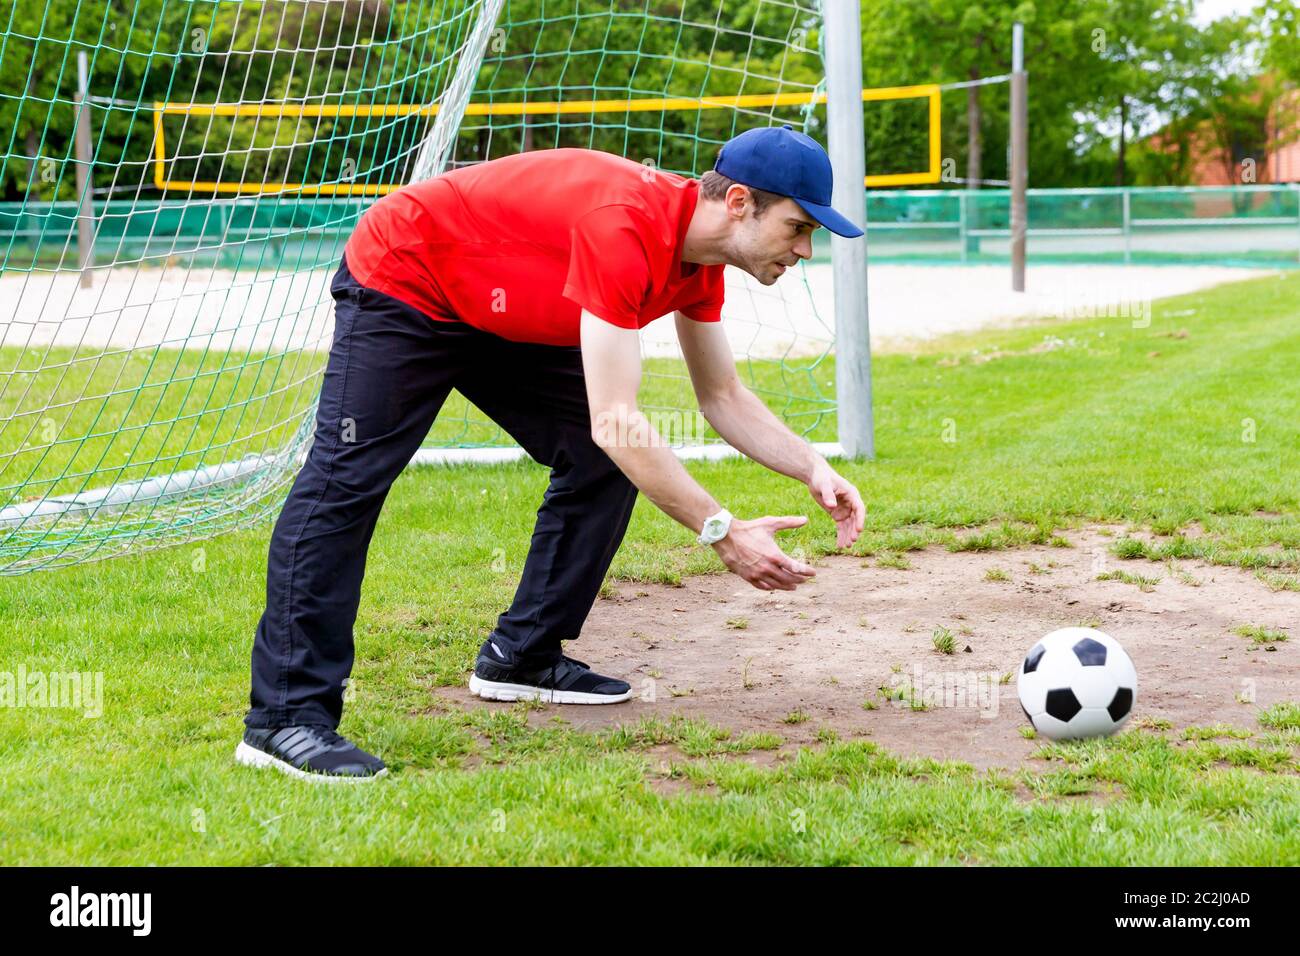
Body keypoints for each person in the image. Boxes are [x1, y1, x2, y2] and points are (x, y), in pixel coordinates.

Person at [235, 124, 867, 782]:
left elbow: (723, 396)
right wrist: (722, 532)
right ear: (739, 202)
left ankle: (522, 655)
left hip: (496, 311)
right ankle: (284, 719)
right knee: (345, 483)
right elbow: (616, 420)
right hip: (409, 278)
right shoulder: (626, 228)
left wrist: (811, 465)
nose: (805, 250)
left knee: (602, 461)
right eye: (798, 228)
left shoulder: (700, 264)